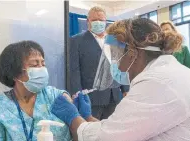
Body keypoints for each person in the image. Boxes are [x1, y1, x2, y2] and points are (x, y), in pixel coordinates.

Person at [51, 18, 190, 141]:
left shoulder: (156, 83)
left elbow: (106, 138)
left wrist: (72, 117)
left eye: (115, 55)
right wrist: (87, 117)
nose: (114, 63)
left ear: (132, 53)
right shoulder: (166, 72)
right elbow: (121, 129)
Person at [0, 41, 71, 141]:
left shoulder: (55, 96)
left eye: (43, 64)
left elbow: (78, 129)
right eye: (34, 65)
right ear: (14, 73)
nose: (42, 69)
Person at [68, 6, 123, 120]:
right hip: (92, 98)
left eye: (101, 20)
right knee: (92, 133)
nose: (98, 22)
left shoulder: (114, 40)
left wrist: (125, 89)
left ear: (106, 21)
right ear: (88, 21)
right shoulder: (76, 41)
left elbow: (121, 65)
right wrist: (77, 95)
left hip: (115, 95)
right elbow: (74, 70)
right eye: (94, 20)